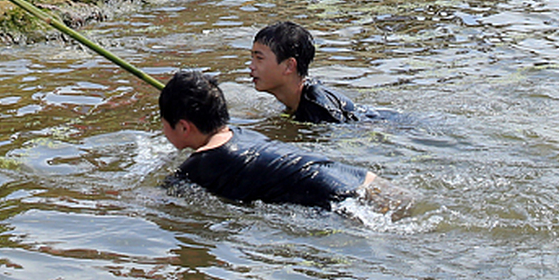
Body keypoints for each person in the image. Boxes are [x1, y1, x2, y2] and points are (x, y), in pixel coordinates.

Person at [158, 70, 407, 212]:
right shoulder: (241, 135)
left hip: (345, 203)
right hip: (365, 180)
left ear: (183, 126)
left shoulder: (198, 168)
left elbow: (155, 203)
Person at [248, 21, 366, 122]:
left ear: (289, 66)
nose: (251, 66)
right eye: (252, 58)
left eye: (259, 58)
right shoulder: (295, 101)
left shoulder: (318, 107)